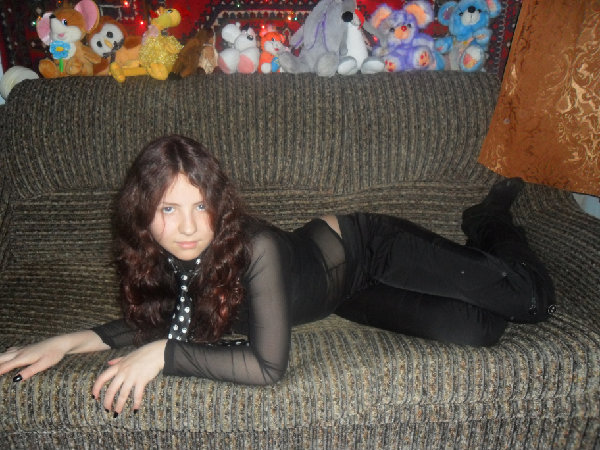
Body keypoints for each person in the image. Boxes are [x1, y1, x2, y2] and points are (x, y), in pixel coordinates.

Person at [0, 134, 555, 416]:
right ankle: (480, 257)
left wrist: (166, 355)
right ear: (143, 214)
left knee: (529, 303)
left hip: (368, 248)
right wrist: (68, 342)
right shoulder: (163, 258)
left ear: (219, 204)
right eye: (169, 208)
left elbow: (267, 368)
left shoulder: (255, 247)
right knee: (481, 329)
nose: (188, 227)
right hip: (341, 296)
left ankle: (490, 220)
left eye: (200, 206)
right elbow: (161, 319)